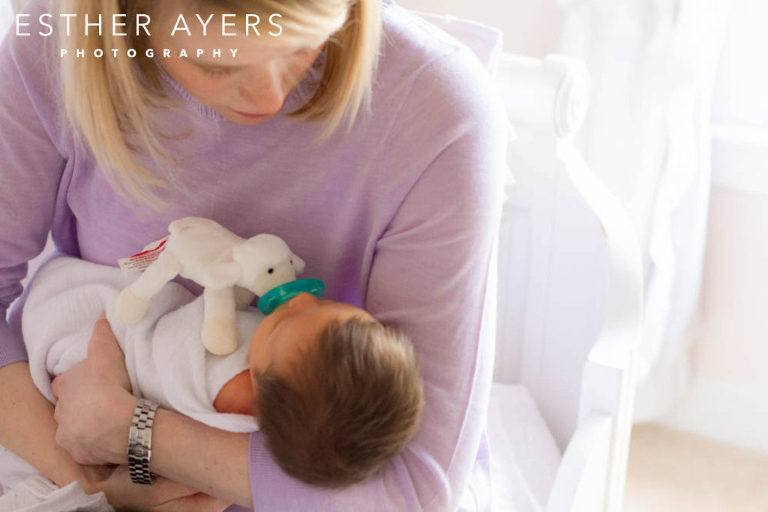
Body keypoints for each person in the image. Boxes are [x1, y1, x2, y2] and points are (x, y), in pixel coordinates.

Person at [0, 0, 508, 510]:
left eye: (305, 43)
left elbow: (412, 491)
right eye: (218, 64)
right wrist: (92, 478)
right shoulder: (59, 37)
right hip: (65, 441)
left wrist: (136, 436)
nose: (270, 97)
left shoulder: (435, 109)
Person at [0, 255, 423, 508]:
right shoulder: (286, 371)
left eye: (275, 330)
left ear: (250, 401)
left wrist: (113, 382)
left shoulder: (229, 393)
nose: (299, 301)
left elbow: (167, 349)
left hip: (97, 368)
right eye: (325, 304)